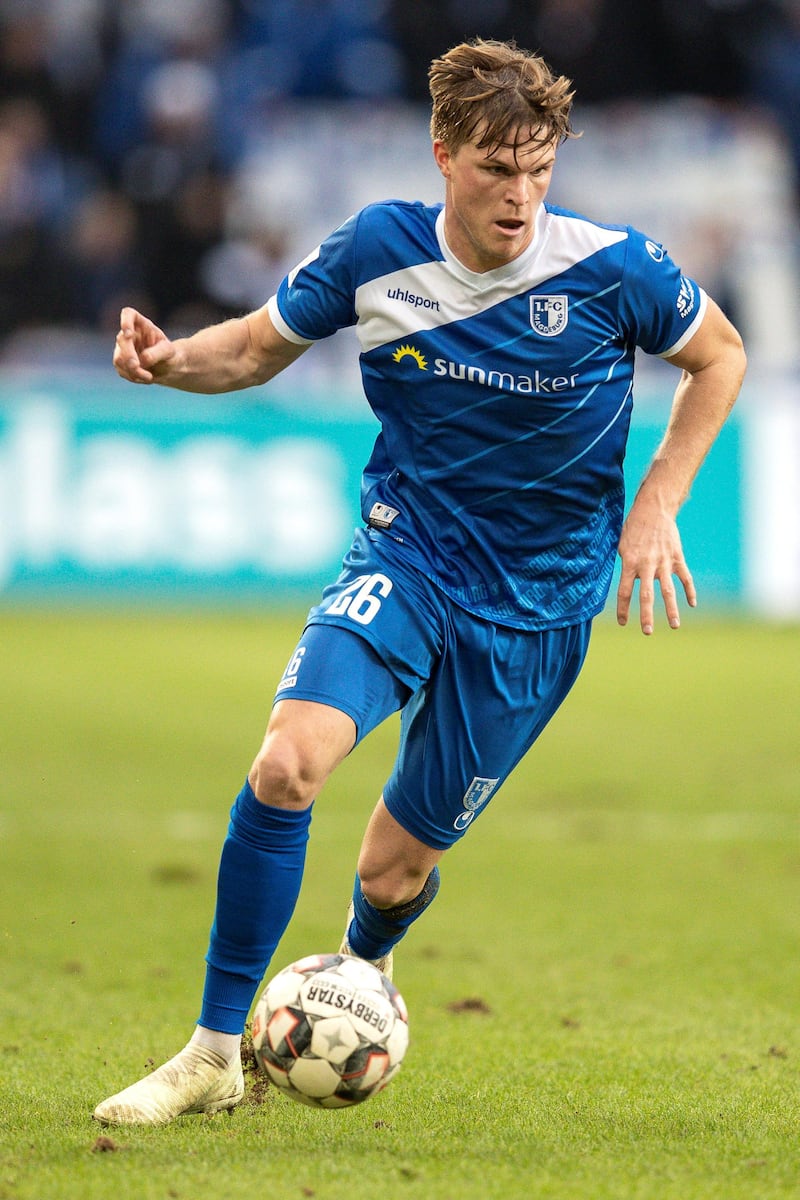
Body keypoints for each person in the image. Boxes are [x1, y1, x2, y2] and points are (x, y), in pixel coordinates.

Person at [93, 38, 746, 1126]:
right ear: (445, 156)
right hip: (406, 560)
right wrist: (166, 360)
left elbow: (718, 355)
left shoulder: (610, 266)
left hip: (537, 608)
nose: (520, 195)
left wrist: (657, 500)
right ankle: (210, 1052)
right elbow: (253, 350)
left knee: (392, 873)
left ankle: (354, 974)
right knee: (286, 764)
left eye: (538, 170)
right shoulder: (376, 249)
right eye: (498, 168)